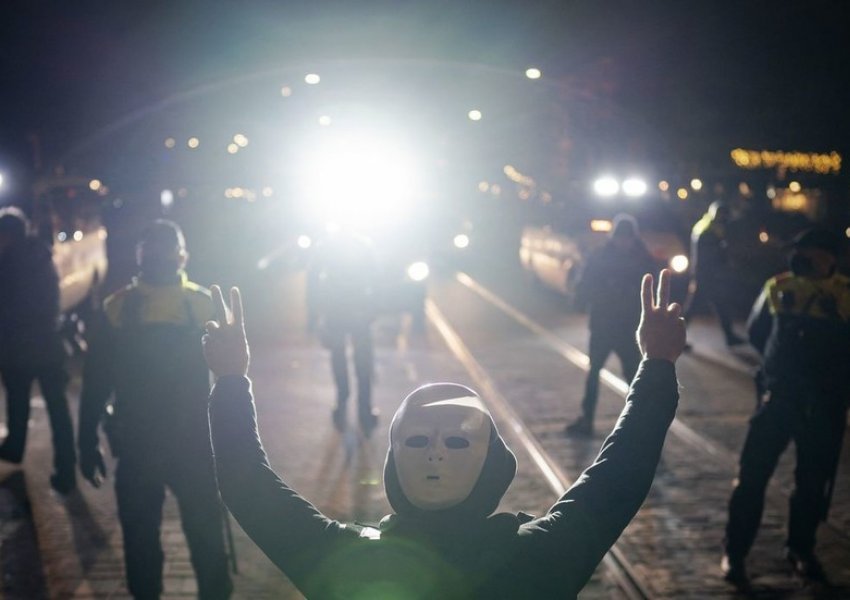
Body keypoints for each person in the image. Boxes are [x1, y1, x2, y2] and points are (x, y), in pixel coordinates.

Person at [202, 269, 685, 599]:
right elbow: (621, 473)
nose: (435, 455)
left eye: (455, 441)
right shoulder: (541, 556)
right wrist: (657, 365)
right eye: (419, 441)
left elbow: (246, 484)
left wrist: (229, 380)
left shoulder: (343, 561)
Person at [77, 220, 232, 599]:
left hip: (160, 446)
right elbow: (234, 383)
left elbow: (95, 384)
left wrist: (86, 442)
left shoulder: (122, 308)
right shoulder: (201, 306)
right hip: (176, 447)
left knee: (154, 543)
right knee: (200, 540)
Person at [722, 228, 850, 587]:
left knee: (811, 484)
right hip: (779, 399)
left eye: (807, 252)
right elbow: (757, 333)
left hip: (824, 406)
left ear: (828, 257)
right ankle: (735, 552)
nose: (799, 259)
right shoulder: (778, 287)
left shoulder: (845, 294)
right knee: (751, 478)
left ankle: (801, 549)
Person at [0, 206, 76, 493]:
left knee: (18, 402)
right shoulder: (42, 257)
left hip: (18, 348)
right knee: (58, 408)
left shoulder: (7, 265)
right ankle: (66, 468)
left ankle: (14, 447)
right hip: (48, 344)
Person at [565, 213, 658, 436]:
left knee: (632, 374)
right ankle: (589, 418)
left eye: (626, 238)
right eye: (621, 238)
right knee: (597, 371)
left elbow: (651, 288)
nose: (623, 242)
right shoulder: (630, 257)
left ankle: (638, 420)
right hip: (607, 324)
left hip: (625, 326)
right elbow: (586, 283)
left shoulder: (635, 258)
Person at [308, 229, 379, 434]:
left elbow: (313, 278)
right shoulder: (364, 244)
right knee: (363, 362)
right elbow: (376, 279)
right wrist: (373, 308)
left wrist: (314, 314)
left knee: (338, 358)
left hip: (336, 310)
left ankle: (341, 405)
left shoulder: (327, 245)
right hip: (359, 311)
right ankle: (364, 412)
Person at [684, 201, 745, 347]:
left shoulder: (707, 225)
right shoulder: (709, 230)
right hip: (707, 275)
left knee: (718, 305)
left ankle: (730, 337)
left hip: (705, 275)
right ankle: (675, 339)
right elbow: (711, 255)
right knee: (695, 308)